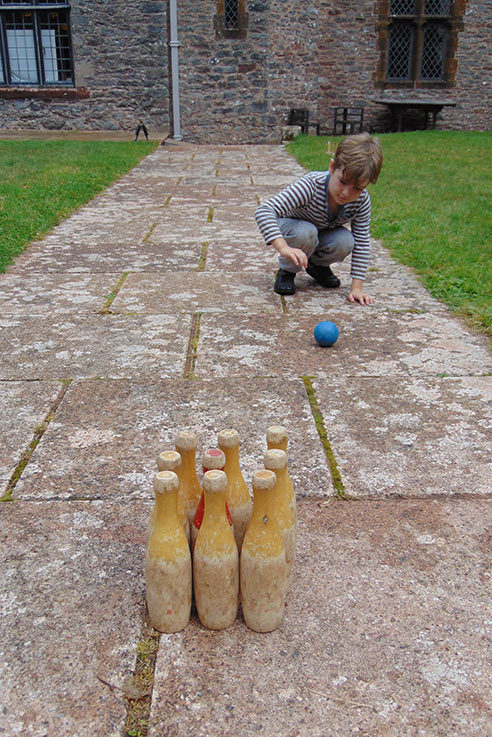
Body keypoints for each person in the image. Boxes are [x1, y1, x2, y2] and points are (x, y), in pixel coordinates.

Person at [255, 132, 383, 305]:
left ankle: (317, 265)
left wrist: (357, 288)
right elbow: (264, 211)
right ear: (332, 168)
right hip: (293, 230)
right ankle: (287, 271)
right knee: (306, 232)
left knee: (346, 240)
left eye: (357, 188)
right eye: (342, 182)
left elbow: (362, 241)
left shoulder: (361, 200)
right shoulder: (310, 186)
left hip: (320, 233)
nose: (346, 193)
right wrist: (283, 248)